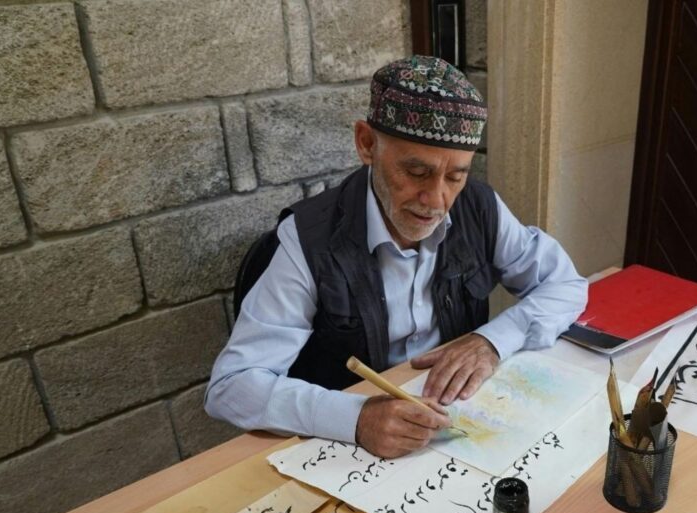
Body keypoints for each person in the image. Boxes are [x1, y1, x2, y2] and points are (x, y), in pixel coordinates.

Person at [205, 56, 587, 458]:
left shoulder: (478, 207)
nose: (436, 200)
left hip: (457, 422)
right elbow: (232, 386)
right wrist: (355, 418)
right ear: (367, 144)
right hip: (350, 451)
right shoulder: (308, 240)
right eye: (416, 173)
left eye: (455, 176)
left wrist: (492, 341)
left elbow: (565, 284)